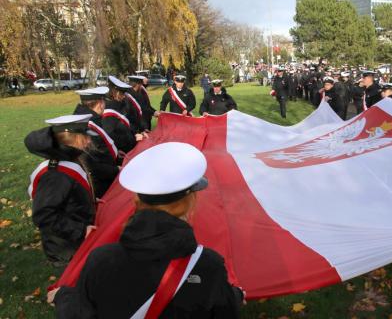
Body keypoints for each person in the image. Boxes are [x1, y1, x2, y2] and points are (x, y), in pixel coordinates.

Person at [51, 142, 245, 317]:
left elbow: (81, 313)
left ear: (137, 199)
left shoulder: (100, 260)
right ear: (189, 201)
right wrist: (235, 296)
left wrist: (63, 296)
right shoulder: (209, 265)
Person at [24, 114, 97, 269]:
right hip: (66, 246)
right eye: (86, 137)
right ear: (74, 138)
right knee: (71, 283)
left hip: (73, 238)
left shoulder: (69, 158)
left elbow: (70, 195)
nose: (89, 141)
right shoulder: (56, 174)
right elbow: (44, 215)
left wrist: (89, 200)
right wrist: (80, 230)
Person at [72, 87, 119, 198]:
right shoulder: (87, 124)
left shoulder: (88, 119)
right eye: (104, 102)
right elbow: (91, 163)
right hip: (99, 184)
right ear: (100, 104)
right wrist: (115, 170)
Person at [103, 76, 142, 154]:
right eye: (122, 93)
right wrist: (133, 138)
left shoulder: (119, 104)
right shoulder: (108, 110)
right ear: (115, 93)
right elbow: (112, 137)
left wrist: (135, 133)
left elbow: (126, 126)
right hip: (122, 151)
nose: (124, 96)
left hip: (129, 146)